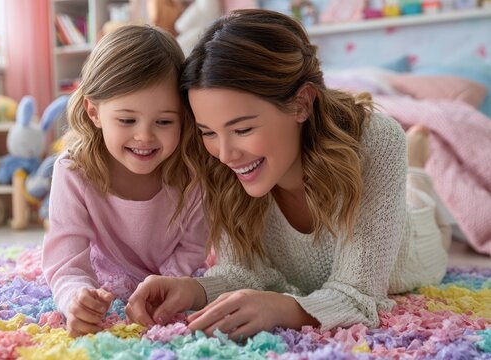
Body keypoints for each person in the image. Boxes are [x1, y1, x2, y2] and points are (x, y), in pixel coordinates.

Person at [125, 9, 452, 340]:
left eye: (242, 129)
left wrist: (280, 308)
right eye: (208, 131)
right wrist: (192, 289)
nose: (224, 154)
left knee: (416, 193)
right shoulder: (221, 161)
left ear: (302, 103)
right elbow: (243, 272)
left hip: (419, 240)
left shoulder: (376, 140)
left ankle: (416, 164)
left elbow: (360, 296)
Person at [42, 25, 208, 337]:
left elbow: (193, 247)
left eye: (164, 121)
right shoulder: (74, 170)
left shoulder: (191, 170)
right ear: (94, 112)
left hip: (175, 277)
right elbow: (65, 260)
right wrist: (74, 297)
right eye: (127, 120)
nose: (145, 136)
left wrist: (168, 283)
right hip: (108, 279)